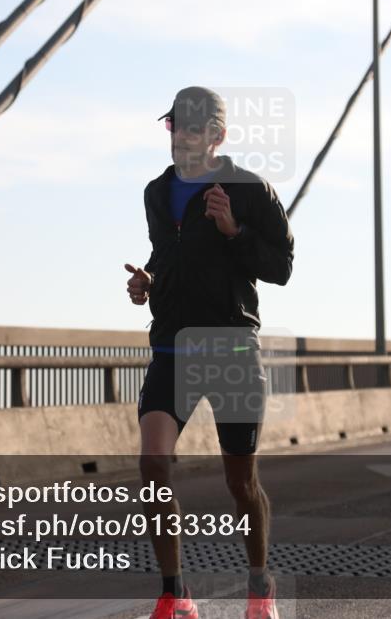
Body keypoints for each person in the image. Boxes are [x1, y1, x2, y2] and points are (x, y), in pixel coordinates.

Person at [124, 86, 294, 619]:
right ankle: (176, 595)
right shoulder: (156, 191)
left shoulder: (248, 190)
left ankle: (259, 588)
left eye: (194, 129)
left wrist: (233, 229)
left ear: (217, 135)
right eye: (175, 126)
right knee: (153, 463)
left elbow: (281, 267)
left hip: (231, 349)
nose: (182, 137)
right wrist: (150, 282)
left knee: (241, 483)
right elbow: (168, 252)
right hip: (173, 348)